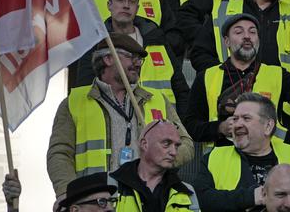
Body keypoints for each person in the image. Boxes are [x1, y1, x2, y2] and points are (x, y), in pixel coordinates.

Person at [47, 34, 194, 199]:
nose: (138, 63)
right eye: (132, 57)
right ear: (108, 58)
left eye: (140, 59)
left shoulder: (157, 99)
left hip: (147, 200)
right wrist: (68, 194)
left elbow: (186, 144)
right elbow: (60, 154)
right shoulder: (73, 103)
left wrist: (163, 157)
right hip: (96, 203)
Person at [184, 13, 290, 145]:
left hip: (269, 163)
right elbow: (191, 126)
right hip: (222, 166)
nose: (247, 37)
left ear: (258, 40)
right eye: (239, 32)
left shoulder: (276, 75)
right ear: (226, 41)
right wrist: (220, 127)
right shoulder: (206, 77)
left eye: (252, 32)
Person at [76, 0, 190, 115]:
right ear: (109, 5)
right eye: (120, 0)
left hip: (161, 124)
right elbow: (84, 89)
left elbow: (180, 88)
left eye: (132, 1)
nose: (126, 5)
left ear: (137, 8)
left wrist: (180, 126)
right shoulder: (96, 43)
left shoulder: (156, 39)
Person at [192, 93, 290, 212]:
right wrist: (251, 197)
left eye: (246, 118)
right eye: (235, 118)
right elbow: (199, 199)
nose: (237, 124)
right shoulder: (215, 157)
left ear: (268, 126)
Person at [111, 120, 199, 211]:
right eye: (166, 143)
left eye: (176, 146)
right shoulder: (111, 186)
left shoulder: (187, 192)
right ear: (144, 144)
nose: (174, 152)